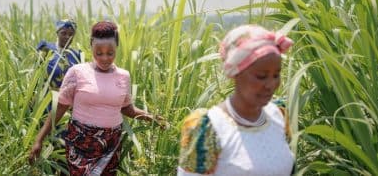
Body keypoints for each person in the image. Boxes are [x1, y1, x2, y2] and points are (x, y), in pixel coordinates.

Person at [29, 21, 162, 175]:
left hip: (110, 146)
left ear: (116, 48)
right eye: (99, 53)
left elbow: (127, 108)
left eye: (110, 53)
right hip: (81, 145)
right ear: (91, 46)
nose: (104, 58)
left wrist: (151, 118)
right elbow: (59, 108)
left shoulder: (123, 76)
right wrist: (39, 140)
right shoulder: (77, 73)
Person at [177, 24, 294, 176]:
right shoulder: (209, 128)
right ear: (235, 72)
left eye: (276, 75)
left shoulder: (278, 115)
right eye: (261, 76)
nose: (271, 85)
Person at [35, 19, 81, 110]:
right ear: (57, 33)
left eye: (71, 34)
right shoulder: (46, 49)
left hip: (66, 104)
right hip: (46, 100)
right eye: (63, 33)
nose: (67, 37)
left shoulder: (76, 55)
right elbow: (36, 76)